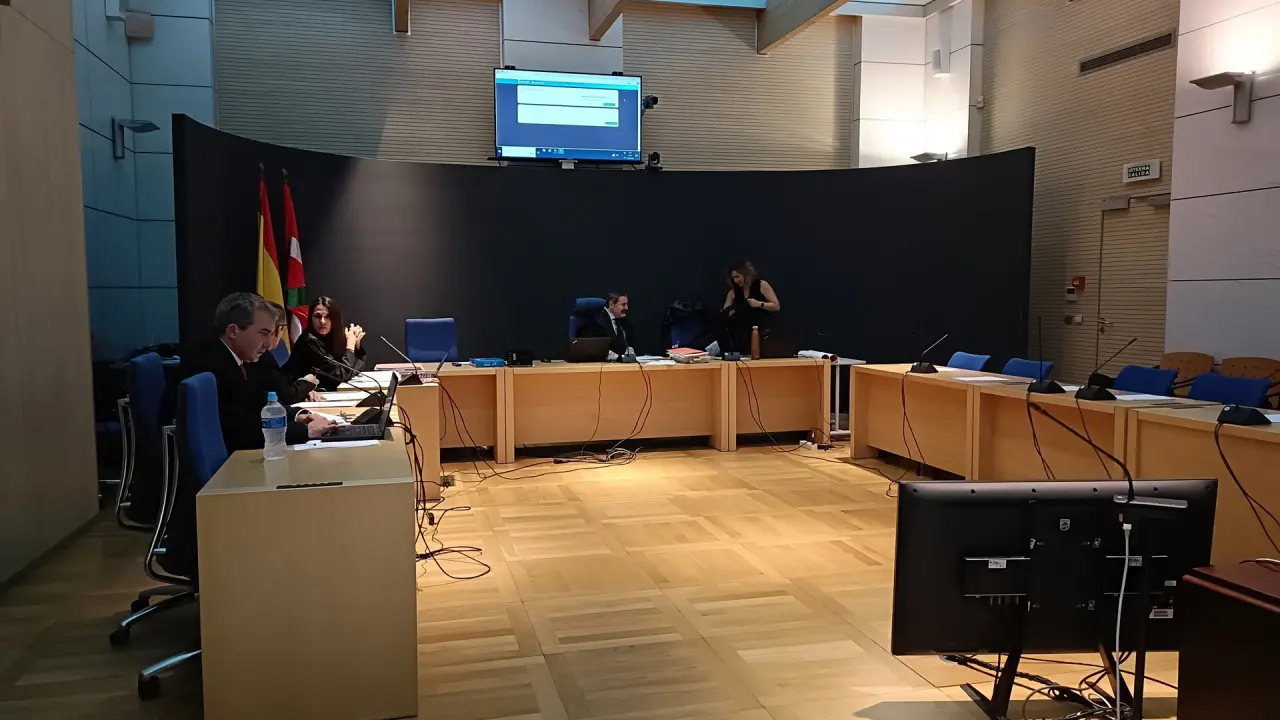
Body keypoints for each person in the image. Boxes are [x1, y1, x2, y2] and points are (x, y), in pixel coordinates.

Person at [179, 292, 335, 453]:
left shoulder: (238, 358)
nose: (268, 344)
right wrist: (305, 431)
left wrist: (298, 416)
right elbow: (241, 434)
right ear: (233, 331)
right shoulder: (212, 365)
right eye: (264, 333)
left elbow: (257, 402)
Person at [282, 296, 367, 390]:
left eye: (327, 317)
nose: (322, 321)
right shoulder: (308, 341)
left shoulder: (332, 336)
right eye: (317, 316)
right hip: (296, 393)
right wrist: (350, 346)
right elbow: (340, 375)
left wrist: (356, 345)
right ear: (311, 318)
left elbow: (356, 369)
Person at [253, 300, 321, 405]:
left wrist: (303, 390)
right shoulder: (258, 354)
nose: (267, 343)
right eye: (264, 332)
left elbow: (281, 387)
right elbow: (286, 395)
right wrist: (306, 383)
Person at [722, 261, 781, 353]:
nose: (736, 281)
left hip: (761, 332)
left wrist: (759, 304)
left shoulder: (761, 285)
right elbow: (725, 313)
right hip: (742, 336)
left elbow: (776, 306)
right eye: (733, 278)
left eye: (737, 276)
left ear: (745, 274)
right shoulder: (733, 292)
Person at [576, 291, 633, 359]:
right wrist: (610, 355)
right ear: (612, 304)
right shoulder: (596, 322)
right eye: (623, 304)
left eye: (627, 304)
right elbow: (589, 347)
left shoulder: (621, 321)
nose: (627, 308)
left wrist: (628, 350)